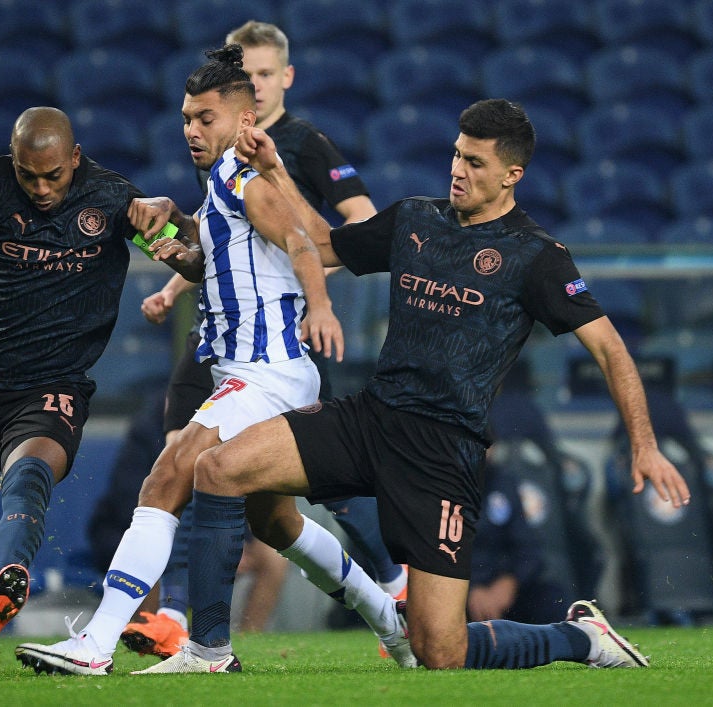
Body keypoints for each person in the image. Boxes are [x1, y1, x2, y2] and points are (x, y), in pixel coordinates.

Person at [178, 98, 691, 671]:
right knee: (219, 470)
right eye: (455, 155)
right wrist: (276, 173)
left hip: (442, 454)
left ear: (510, 175)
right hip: (370, 419)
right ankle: (209, 652)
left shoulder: (536, 257)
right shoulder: (415, 218)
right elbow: (322, 245)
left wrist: (643, 445)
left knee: (441, 652)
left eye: (474, 162)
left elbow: (611, 351)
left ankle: (582, 638)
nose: (457, 170)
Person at [14, 45, 411, 677]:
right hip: (250, 370)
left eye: (205, 118)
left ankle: (98, 642)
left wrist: (321, 307)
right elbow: (209, 257)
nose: (191, 130)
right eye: (185, 119)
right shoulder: (221, 182)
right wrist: (163, 232)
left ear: (244, 121)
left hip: (268, 369)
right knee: (275, 520)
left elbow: (305, 241)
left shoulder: (248, 181)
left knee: (167, 475)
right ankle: (394, 623)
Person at [0, 106, 201, 674]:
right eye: (30, 175)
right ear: (14, 161)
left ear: (75, 158)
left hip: (57, 383)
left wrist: (174, 227)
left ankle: (3, 586)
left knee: (30, 473)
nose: (42, 188)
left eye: (54, 175)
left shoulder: (113, 199)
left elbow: (194, 265)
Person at [122, 20, 403, 660]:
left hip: (279, 340)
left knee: (315, 489)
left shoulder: (298, 145)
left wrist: (305, 289)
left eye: (266, 73)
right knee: (186, 461)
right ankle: (171, 618)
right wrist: (177, 280)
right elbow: (226, 244)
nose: (256, 82)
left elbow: (356, 231)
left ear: (282, 81)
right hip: (218, 339)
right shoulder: (219, 153)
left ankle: (394, 586)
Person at [467, 457, 568, 624]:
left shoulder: (504, 481)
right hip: (455, 585)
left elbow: (528, 546)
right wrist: (470, 589)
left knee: (551, 599)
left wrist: (511, 581)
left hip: (500, 586)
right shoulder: (440, 482)